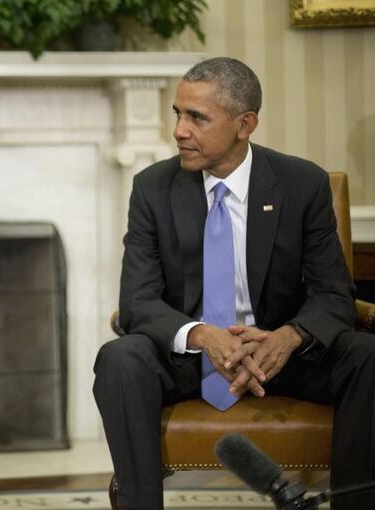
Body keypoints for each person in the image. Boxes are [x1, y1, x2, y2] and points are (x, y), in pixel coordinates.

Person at [92, 56, 375, 510]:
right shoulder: (153, 187)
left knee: (366, 354)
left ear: (245, 124)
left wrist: (290, 336)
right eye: (177, 115)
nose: (180, 130)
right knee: (120, 358)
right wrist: (202, 335)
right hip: (190, 360)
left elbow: (333, 292)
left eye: (197, 118)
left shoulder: (302, 184)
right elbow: (138, 300)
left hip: (282, 357)